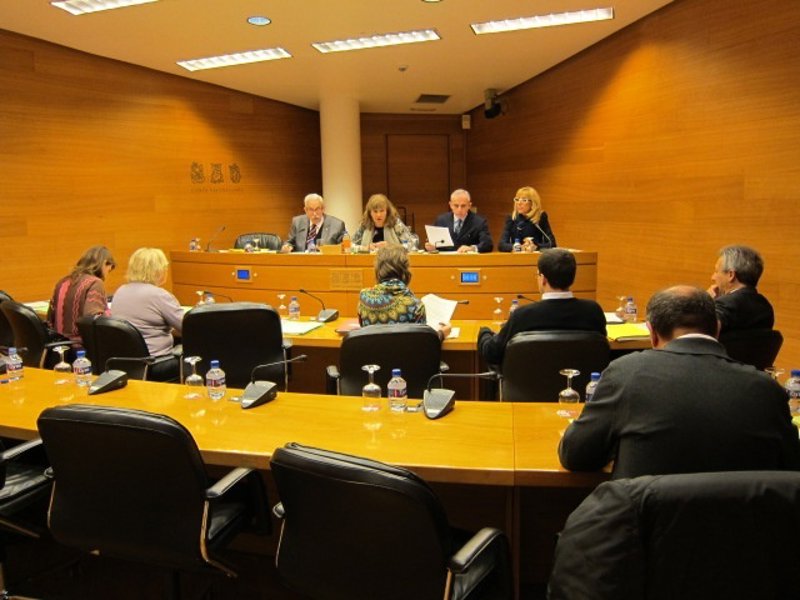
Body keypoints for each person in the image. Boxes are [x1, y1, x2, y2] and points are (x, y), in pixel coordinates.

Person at [558, 285, 800, 480]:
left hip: (644, 525)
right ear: (717, 329)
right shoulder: (767, 390)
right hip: (741, 526)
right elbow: (791, 467)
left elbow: (576, 455)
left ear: (652, 333)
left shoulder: (625, 374)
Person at [477, 249, 605, 365]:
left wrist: (484, 332)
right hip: (581, 382)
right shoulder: (593, 311)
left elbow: (491, 353)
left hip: (529, 383)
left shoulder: (523, 316)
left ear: (543, 279)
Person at [111, 247, 183, 381]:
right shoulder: (158, 295)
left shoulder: (120, 291)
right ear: (158, 270)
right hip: (155, 363)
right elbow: (188, 327)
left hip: (124, 364)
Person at [358, 245, 451, 340]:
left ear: (378, 270)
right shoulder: (416, 306)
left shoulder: (364, 297)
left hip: (373, 350)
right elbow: (423, 343)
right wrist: (441, 334)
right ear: (405, 271)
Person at [47, 245, 115, 344]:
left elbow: (50, 320)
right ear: (104, 263)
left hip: (58, 344)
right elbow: (94, 320)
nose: (106, 276)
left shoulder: (63, 281)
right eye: (109, 270)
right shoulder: (95, 282)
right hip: (80, 345)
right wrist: (111, 314)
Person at [707, 244, 774, 334]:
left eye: (716, 271)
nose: (713, 277)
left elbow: (703, 334)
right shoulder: (765, 307)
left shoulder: (724, 304)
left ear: (731, 275)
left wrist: (706, 302)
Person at [424, 189, 493, 253]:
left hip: (468, 259)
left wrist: (472, 248)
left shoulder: (479, 222)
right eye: (456, 206)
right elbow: (432, 243)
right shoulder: (441, 220)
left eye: (463, 206)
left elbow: (488, 244)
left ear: (469, 205)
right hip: (445, 259)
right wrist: (431, 247)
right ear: (450, 205)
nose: (459, 209)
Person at [281, 193, 346, 253]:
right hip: (302, 260)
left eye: (317, 209)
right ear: (305, 210)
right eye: (311, 209)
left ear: (323, 209)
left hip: (326, 260)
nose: (314, 214)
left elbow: (343, 248)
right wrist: (287, 247)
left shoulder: (337, 225)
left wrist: (325, 249)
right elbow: (290, 243)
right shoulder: (297, 222)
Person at [497, 186, 556, 252]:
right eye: (517, 200)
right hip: (517, 256)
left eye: (524, 200)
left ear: (533, 203)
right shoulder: (512, 218)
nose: (519, 203)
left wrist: (536, 247)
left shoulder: (540, 217)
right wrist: (518, 247)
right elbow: (501, 245)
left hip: (535, 256)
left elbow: (552, 243)